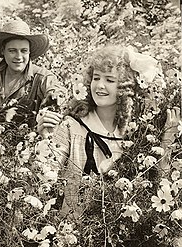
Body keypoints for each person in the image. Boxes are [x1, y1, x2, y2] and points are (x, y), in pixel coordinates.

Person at [51, 45, 181, 219]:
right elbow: (47, 174)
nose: (100, 85)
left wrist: (166, 145)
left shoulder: (136, 134)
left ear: (125, 87)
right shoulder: (71, 126)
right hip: (75, 229)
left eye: (110, 80)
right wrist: (45, 138)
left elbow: (157, 187)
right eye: (96, 78)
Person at [0, 19, 63, 132]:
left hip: (30, 145)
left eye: (23, 51)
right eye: (12, 51)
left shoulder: (43, 77)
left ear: (29, 52)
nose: (18, 56)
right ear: (3, 51)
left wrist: (52, 105)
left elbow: (57, 95)